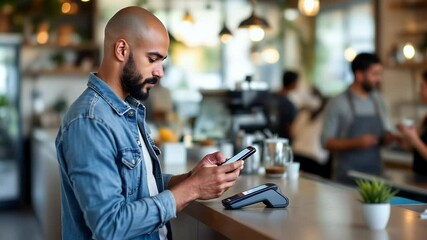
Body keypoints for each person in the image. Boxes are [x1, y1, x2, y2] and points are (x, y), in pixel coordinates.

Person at [55, 7, 243, 240]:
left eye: (162, 61)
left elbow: (139, 186)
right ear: (122, 50)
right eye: (152, 59)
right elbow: (109, 226)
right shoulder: (90, 121)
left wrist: (192, 178)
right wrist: (192, 189)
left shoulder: (126, 111)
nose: (160, 72)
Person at [320, 53, 396, 185]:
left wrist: (389, 138)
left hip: (375, 178)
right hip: (345, 178)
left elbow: (385, 134)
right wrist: (356, 143)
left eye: (380, 74)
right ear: (359, 75)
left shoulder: (379, 101)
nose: (379, 79)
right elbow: (325, 142)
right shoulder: (338, 102)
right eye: (375, 74)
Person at [291, 87, 331, 178]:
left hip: (297, 154)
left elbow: (293, 133)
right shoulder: (327, 117)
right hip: (316, 158)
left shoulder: (303, 113)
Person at [397, 70, 427, 176]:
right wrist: (406, 135)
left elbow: (416, 142)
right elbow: (409, 147)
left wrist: (414, 139)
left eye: (422, 86)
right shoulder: (425, 118)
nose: (419, 92)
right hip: (419, 179)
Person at [273, 70, 299, 141]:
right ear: (293, 83)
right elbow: (290, 128)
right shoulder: (289, 105)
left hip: (270, 136)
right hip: (283, 140)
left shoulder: (272, 97)